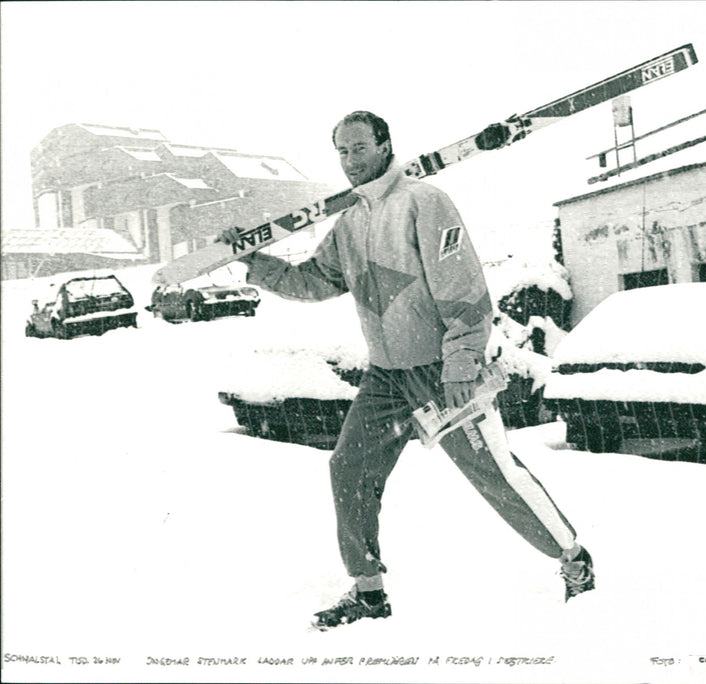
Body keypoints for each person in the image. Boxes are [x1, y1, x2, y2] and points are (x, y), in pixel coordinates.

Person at [218, 111, 595, 630]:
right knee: (349, 468)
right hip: (386, 378)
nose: (351, 160)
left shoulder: (424, 202)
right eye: (342, 152)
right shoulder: (349, 221)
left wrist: (461, 362)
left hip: (443, 371)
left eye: (359, 148)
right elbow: (314, 281)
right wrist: (256, 262)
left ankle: (574, 560)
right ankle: (368, 591)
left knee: (494, 475)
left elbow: (463, 287)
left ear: (384, 145)